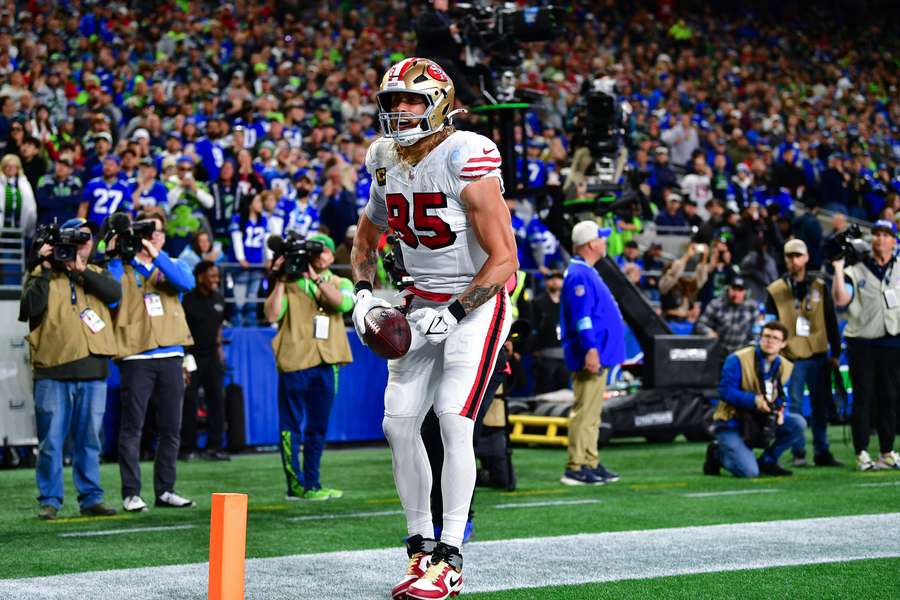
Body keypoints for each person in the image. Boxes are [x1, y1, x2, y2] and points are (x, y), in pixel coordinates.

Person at [350, 57, 516, 600]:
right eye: (394, 100)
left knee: (452, 418)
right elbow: (364, 241)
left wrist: (459, 309)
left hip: (477, 297)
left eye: (413, 100)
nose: (401, 110)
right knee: (398, 424)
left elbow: (505, 258)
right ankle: (419, 548)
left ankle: (450, 557)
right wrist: (362, 295)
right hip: (418, 300)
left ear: (440, 103)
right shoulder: (381, 158)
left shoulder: (466, 152)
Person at [19, 218, 120, 520]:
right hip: (52, 369)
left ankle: (91, 498)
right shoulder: (41, 273)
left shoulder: (97, 273)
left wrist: (81, 270)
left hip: (93, 370)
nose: (83, 241)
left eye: (88, 237)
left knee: (90, 440)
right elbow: (28, 310)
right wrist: (45, 267)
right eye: (76, 237)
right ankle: (49, 500)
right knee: (51, 442)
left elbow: (116, 296)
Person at [108, 207, 197, 512]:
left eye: (157, 231)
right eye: (147, 232)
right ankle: (131, 492)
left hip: (171, 352)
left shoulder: (170, 262)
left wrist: (153, 252)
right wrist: (120, 253)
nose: (153, 236)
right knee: (132, 428)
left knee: (172, 427)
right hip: (135, 356)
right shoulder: (123, 264)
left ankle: (166, 489)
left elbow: (186, 284)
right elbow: (111, 294)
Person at [263, 232, 353, 501]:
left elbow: (342, 304)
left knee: (318, 426)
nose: (323, 254)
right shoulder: (289, 282)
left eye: (326, 250)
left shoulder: (341, 281)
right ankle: (295, 485)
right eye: (318, 250)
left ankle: (312, 483)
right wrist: (279, 279)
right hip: (295, 360)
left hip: (328, 361)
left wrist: (315, 279)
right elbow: (271, 314)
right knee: (291, 424)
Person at [765, 238, 842, 467]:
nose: (794, 260)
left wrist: (835, 352)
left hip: (818, 354)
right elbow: (769, 325)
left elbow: (830, 319)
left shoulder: (819, 285)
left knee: (820, 406)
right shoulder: (776, 290)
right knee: (795, 406)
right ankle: (798, 452)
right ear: (785, 259)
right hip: (791, 357)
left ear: (807, 257)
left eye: (798, 256)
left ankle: (822, 451)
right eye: (790, 256)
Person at [559, 221, 625, 486]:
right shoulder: (579, 275)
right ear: (590, 244)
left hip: (598, 353)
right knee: (585, 412)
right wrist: (590, 349)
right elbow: (582, 318)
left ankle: (590, 460)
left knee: (593, 413)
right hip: (591, 354)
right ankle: (576, 466)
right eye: (601, 238)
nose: (605, 242)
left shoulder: (585, 272)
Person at [832, 220, 900, 471]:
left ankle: (886, 451)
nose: (881, 239)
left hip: (892, 340)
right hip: (862, 341)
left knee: (890, 398)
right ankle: (861, 452)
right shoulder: (857, 268)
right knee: (864, 397)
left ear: (894, 241)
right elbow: (841, 300)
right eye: (877, 235)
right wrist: (838, 268)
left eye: (886, 235)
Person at [704, 321, 806, 478]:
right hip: (732, 421)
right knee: (749, 472)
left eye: (775, 338)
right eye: (766, 336)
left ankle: (768, 460)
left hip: (760, 420)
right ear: (760, 338)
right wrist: (754, 401)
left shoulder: (785, 366)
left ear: (783, 344)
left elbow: (781, 397)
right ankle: (717, 454)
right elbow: (725, 391)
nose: (770, 341)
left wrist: (780, 411)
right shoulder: (737, 359)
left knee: (797, 423)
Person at [181, 260, 229, 461]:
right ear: (200, 277)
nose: (215, 280)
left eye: (217, 276)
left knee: (217, 400)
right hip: (191, 356)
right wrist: (183, 359)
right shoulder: (188, 299)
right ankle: (188, 448)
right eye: (211, 276)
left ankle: (214, 447)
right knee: (189, 402)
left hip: (212, 356)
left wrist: (220, 353)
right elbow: (181, 329)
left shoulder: (219, 299)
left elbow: (218, 328)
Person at [695, 275, 758, 365]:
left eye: (739, 290)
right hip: (717, 353)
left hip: (741, 355)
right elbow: (700, 325)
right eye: (733, 289)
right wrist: (709, 332)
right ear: (728, 289)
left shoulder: (752, 306)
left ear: (745, 292)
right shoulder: (716, 304)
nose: (735, 293)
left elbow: (755, 331)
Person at [531, 270, 568, 394]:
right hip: (545, 354)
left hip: (564, 354)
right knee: (545, 389)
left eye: (558, 278)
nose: (555, 281)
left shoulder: (567, 302)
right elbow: (534, 326)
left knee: (563, 390)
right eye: (551, 278)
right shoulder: (538, 302)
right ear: (546, 282)